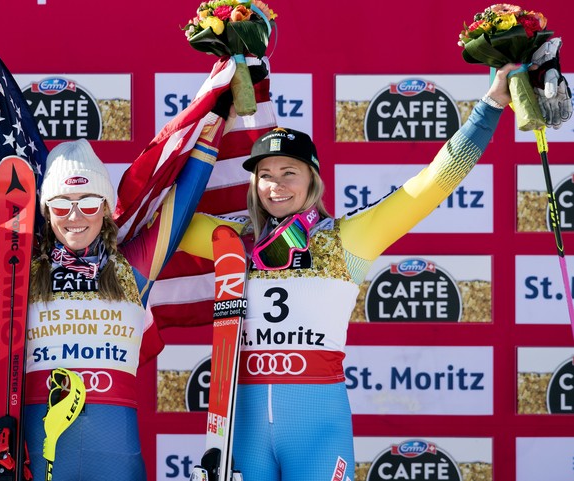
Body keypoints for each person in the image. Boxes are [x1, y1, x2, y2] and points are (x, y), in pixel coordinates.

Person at [177, 61, 553, 481]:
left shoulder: (347, 238)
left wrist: (488, 108)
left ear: (313, 180)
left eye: (289, 172)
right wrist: (212, 121)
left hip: (317, 427)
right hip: (240, 426)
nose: (275, 184)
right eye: (265, 175)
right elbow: (163, 219)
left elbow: (430, 185)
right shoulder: (231, 239)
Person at [0, 41, 224, 481]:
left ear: (107, 207)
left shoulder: (131, 268)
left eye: (88, 202)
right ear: (43, 211)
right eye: (60, 205)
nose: (75, 217)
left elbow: (182, 202)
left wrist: (214, 120)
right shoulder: (23, 268)